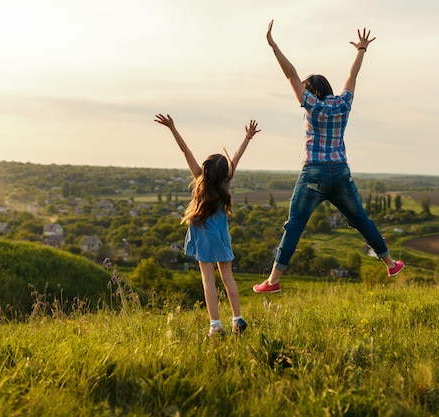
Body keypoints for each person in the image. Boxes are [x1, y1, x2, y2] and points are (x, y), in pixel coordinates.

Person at [253, 21, 404, 294]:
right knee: (361, 220)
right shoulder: (343, 103)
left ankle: (273, 281)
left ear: (311, 91)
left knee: (295, 225)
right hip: (340, 172)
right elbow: (352, 75)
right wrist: (361, 49)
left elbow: (290, 74)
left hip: (314, 172)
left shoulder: (311, 104)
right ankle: (390, 263)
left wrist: (274, 47)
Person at [155, 113, 260, 336]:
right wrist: (247, 137)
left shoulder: (200, 180)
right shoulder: (226, 183)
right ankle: (237, 318)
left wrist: (172, 128)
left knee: (208, 280)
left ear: (205, 171)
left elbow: (186, 152)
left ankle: (215, 325)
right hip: (222, 236)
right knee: (228, 278)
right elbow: (236, 157)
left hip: (203, 235)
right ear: (224, 173)